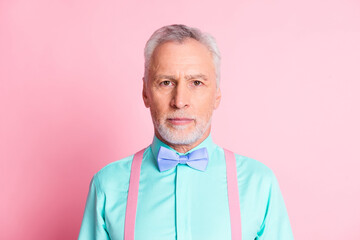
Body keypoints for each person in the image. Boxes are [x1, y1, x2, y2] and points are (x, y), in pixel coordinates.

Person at [78, 24, 293, 240]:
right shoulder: (107, 186)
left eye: (196, 83)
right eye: (166, 82)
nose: (179, 101)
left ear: (217, 94)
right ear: (145, 93)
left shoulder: (259, 184)